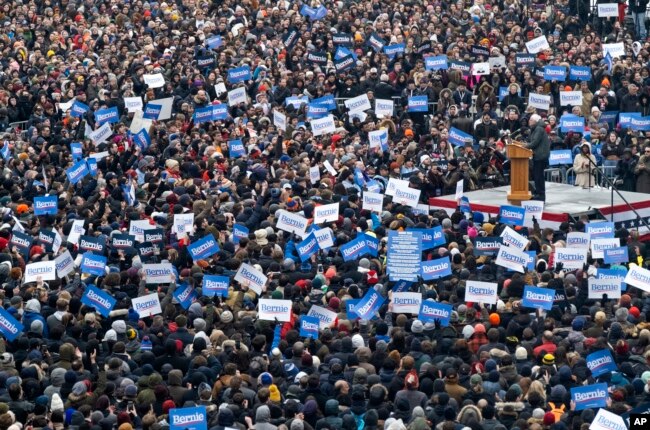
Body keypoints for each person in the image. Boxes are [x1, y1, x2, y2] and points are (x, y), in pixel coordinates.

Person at [526, 114, 550, 201]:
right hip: (538, 155)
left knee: (539, 176)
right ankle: (538, 193)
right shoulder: (536, 128)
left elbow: (535, 142)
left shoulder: (538, 129)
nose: (529, 122)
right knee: (537, 176)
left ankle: (540, 195)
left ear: (535, 121)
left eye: (531, 120)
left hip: (540, 156)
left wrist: (524, 146)